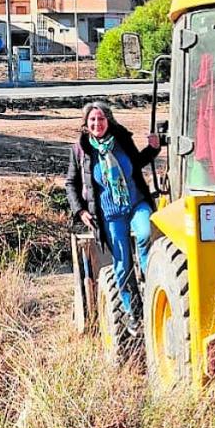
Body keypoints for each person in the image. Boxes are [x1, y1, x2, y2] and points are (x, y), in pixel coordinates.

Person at [66, 101, 161, 327]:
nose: (97, 123)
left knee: (146, 233)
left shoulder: (121, 140)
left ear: (108, 120)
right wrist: (80, 210)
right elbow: (71, 183)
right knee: (122, 262)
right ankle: (132, 312)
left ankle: (152, 285)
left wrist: (153, 148)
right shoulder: (80, 149)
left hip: (136, 202)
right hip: (109, 214)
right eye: (92, 120)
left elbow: (137, 164)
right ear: (86, 124)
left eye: (100, 119)